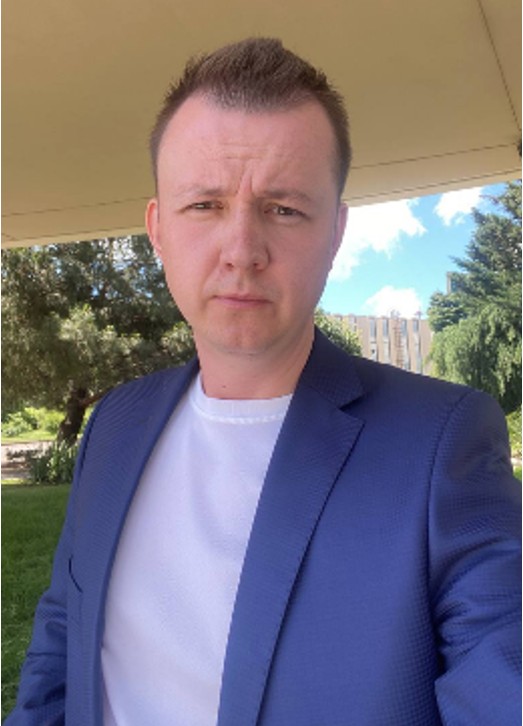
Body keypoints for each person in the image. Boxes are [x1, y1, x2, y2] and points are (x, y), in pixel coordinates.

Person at [6, 38, 520, 726]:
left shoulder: (441, 443)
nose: (242, 251)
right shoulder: (116, 424)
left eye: (283, 208)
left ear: (335, 233)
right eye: (204, 205)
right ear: (157, 230)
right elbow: (62, 642)